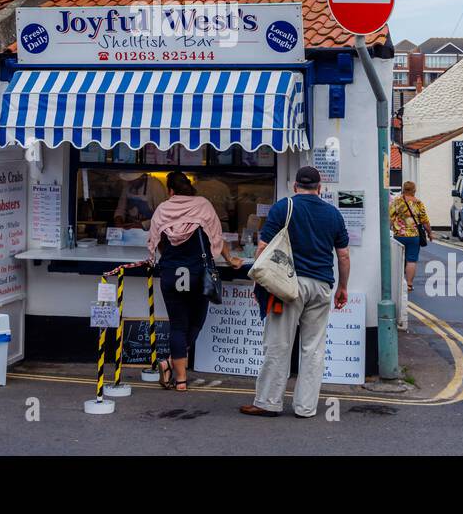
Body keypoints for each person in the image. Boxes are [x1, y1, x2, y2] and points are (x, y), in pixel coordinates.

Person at [240, 166, 349, 419]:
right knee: (313, 349)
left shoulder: (283, 207)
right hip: (321, 286)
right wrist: (342, 287)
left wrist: (260, 281)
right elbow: (343, 255)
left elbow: (264, 247)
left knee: (279, 344)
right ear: (320, 188)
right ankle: (306, 407)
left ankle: (268, 402)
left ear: (295, 185)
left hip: (287, 286)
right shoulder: (333, 214)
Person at [147, 171, 242, 391]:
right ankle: (170, 362)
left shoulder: (163, 209)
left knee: (177, 327)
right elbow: (216, 239)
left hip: (171, 273)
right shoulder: (203, 205)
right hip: (199, 274)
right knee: (196, 322)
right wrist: (230, 259)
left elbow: (155, 241)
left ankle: (179, 379)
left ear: (170, 191)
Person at [389, 181, 432, 293]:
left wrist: (389, 229)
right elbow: (425, 221)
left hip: (399, 235)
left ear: (403, 189)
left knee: (398, 260)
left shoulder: (396, 201)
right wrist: (430, 233)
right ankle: (409, 285)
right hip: (414, 236)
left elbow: (390, 217)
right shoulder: (418, 203)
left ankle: (397, 284)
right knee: (411, 260)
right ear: (414, 190)